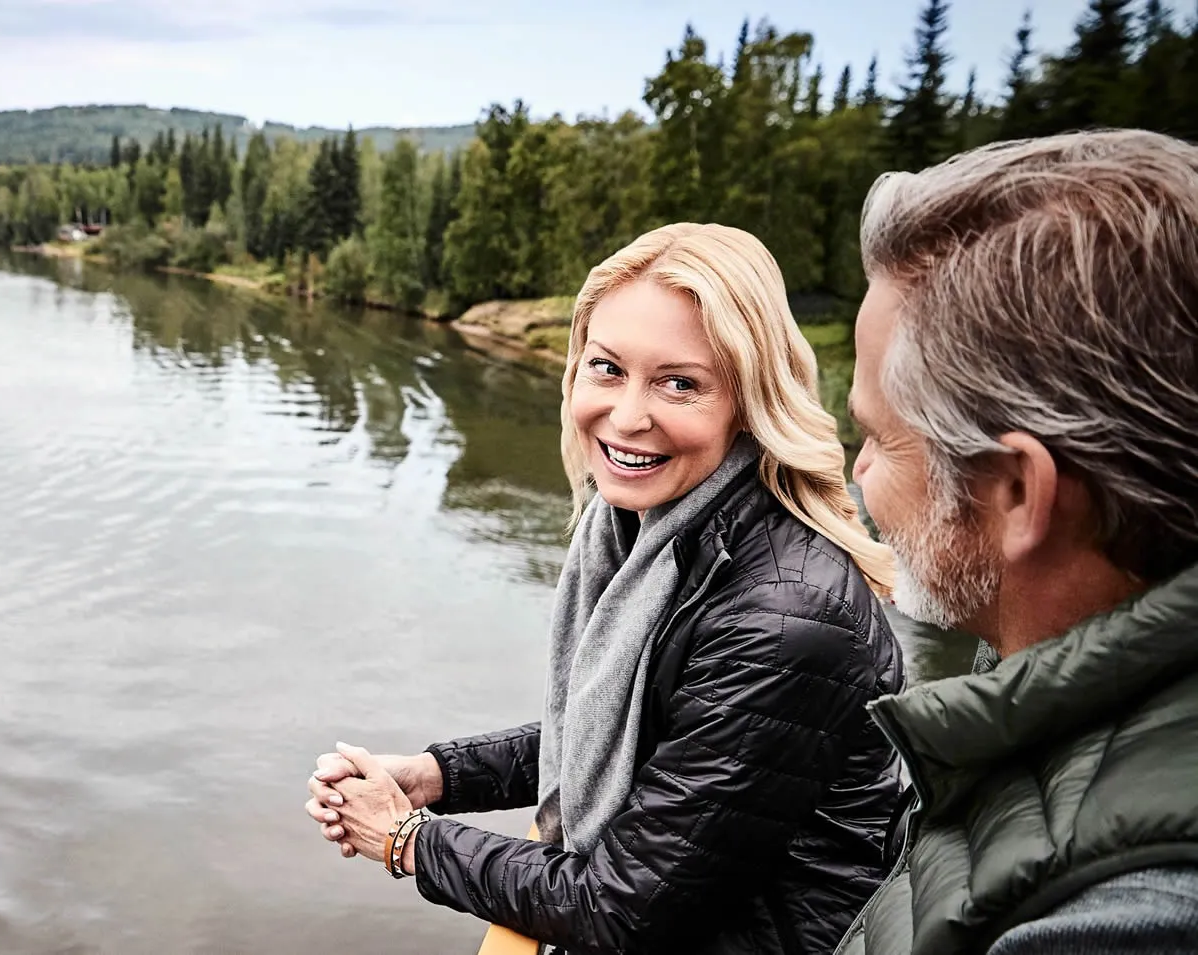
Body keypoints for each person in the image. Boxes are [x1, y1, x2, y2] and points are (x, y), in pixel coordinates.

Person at [305, 222, 906, 953]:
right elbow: (625, 729)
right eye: (608, 368)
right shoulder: (651, 528)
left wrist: (407, 840)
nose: (626, 417)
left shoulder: (787, 618)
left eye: (679, 383)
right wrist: (437, 775)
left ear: (749, 402)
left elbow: (618, 904)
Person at [829, 129, 1198, 954]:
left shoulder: (1120, 924)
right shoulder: (1064, 701)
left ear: (1018, 491)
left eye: (878, 441)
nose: (857, 475)